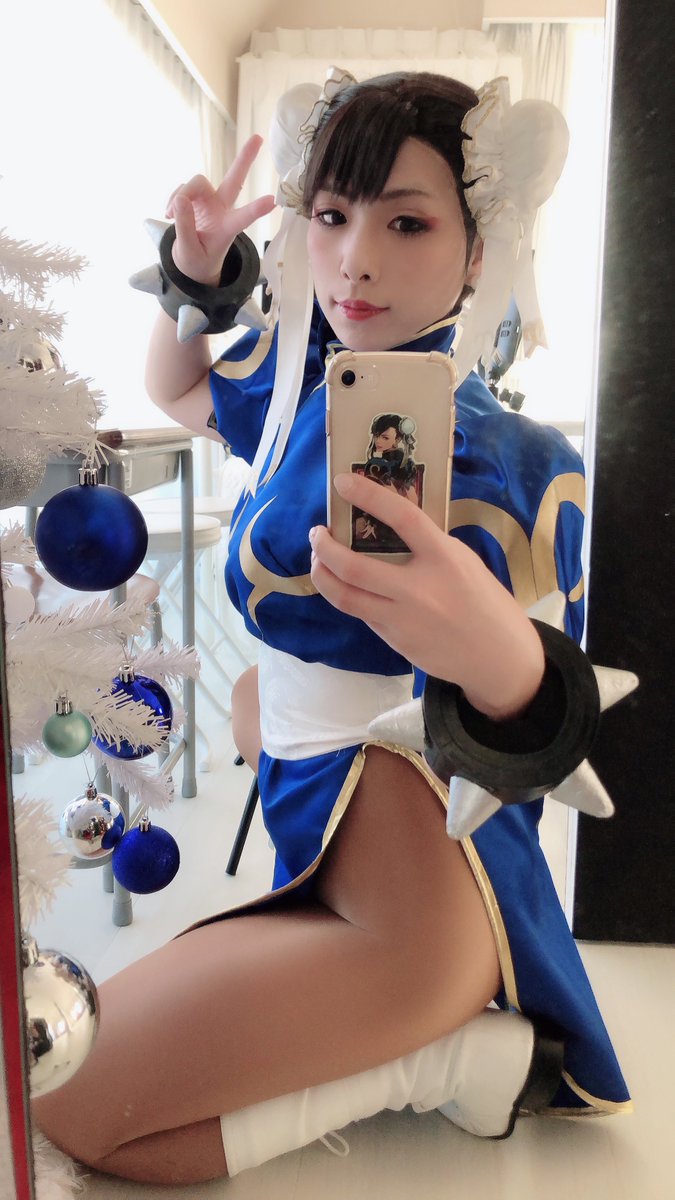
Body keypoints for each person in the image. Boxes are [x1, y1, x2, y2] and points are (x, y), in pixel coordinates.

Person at [32, 70, 631, 1186]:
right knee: (68, 1082)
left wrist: (496, 655)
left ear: (479, 250)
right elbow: (178, 391)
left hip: (417, 897)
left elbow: (549, 713)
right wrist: (196, 275)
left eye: (406, 223)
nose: (354, 259)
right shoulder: (303, 389)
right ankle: (455, 1058)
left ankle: (447, 1058)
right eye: (331, 214)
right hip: (322, 848)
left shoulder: (517, 467)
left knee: (67, 1093)